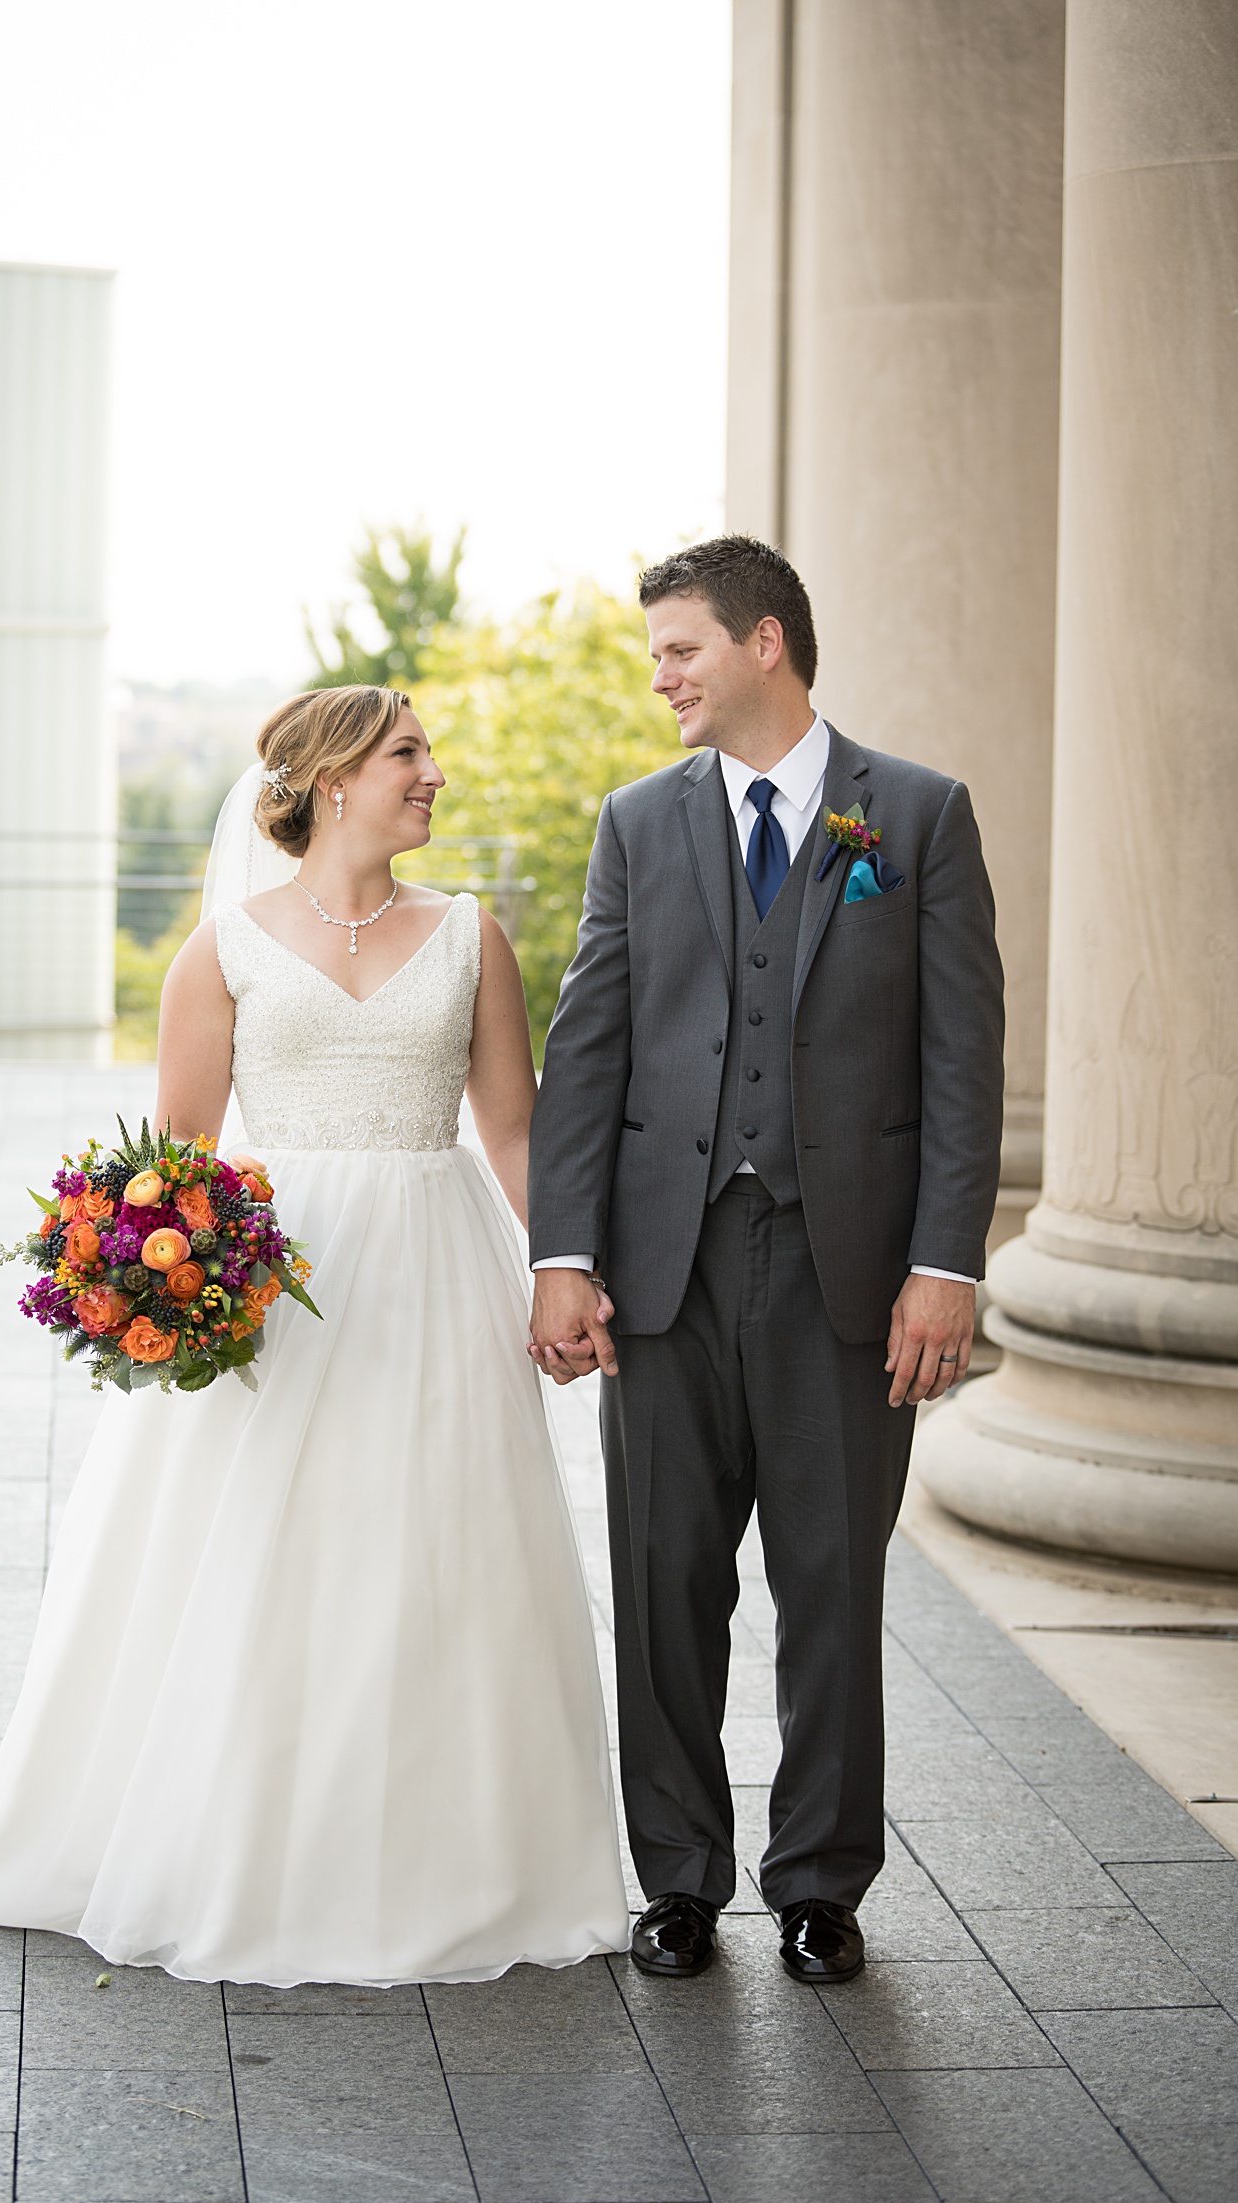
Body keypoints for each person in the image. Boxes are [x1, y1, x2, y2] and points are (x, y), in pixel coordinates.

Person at [0, 684, 630, 1987]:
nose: (432, 774)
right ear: (331, 779)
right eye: (408, 754)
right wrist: (146, 1290)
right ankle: (246, 1843)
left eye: (425, 752)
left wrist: (563, 1275)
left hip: (436, 1263)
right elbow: (173, 1166)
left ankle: (455, 1859)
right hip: (279, 1289)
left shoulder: (472, 936)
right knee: (267, 1554)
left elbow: (515, 1129)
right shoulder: (224, 950)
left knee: (435, 1553)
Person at [527, 536, 1004, 1983]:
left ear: (766, 644)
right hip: (665, 1270)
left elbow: (962, 1063)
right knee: (666, 1579)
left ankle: (819, 1882)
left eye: (679, 648)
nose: (661, 674)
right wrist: (564, 1251)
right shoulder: (637, 821)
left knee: (832, 1584)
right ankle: (676, 1874)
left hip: (848, 1274)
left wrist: (948, 1263)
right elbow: (590, 1042)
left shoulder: (914, 817)